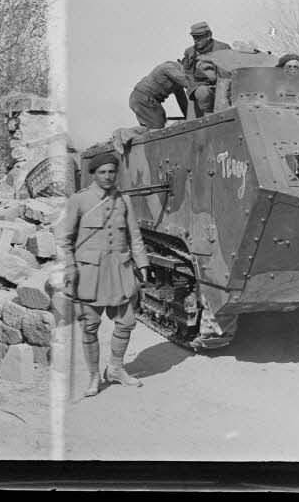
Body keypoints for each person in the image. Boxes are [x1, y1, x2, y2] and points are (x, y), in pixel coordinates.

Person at [57, 152, 150, 397]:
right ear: (94, 174)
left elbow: (135, 237)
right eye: (102, 172)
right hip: (89, 273)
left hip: (120, 270)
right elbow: (64, 239)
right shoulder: (79, 200)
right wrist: (70, 266)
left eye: (111, 172)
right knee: (90, 326)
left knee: (127, 323)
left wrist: (143, 265)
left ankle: (116, 370)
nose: (108, 176)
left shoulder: (124, 200)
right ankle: (94, 377)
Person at [182, 22, 231, 119]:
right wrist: (191, 85)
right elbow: (186, 71)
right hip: (200, 85)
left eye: (199, 37)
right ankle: (208, 117)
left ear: (209, 35)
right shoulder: (189, 52)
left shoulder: (223, 48)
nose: (196, 40)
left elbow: (231, 69)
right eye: (194, 37)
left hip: (222, 83)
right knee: (202, 92)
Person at [129, 60, 192, 129]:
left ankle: (128, 136)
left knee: (155, 127)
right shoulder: (170, 68)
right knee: (157, 130)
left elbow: (182, 101)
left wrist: (189, 118)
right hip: (144, 97)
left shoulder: (177, 80)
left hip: (144, 99)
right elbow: (190, 85)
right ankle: (124, 134)